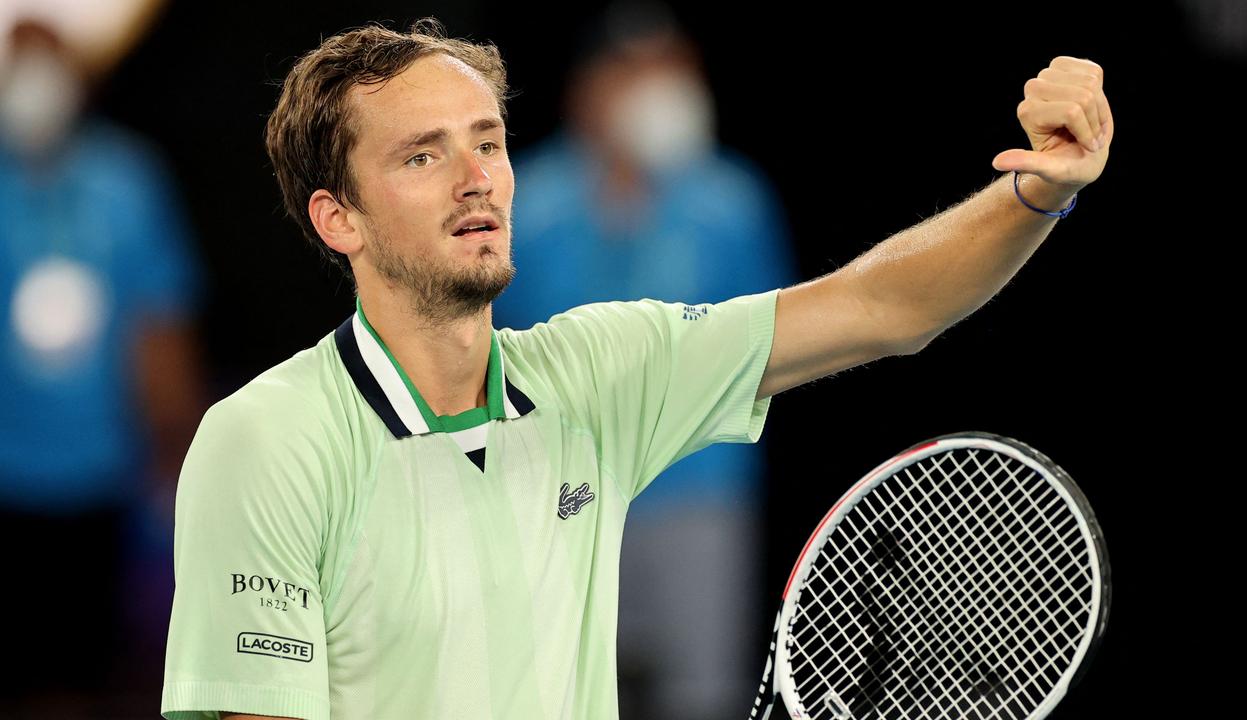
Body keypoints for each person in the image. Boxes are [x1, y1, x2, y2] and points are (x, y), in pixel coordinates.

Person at [160, 17, 1112, 720]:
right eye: (422, 155)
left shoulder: (600, 374)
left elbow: (884, 306)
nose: (476, 176)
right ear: (339, 220)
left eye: (487, 142)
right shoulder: (267, 439)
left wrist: (1032, 194)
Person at [490, 5, 798, 718]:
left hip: (699, 494)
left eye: (673, 69)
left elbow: (780, 346)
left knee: (702, 696)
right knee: (566, 697)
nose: (659, 87)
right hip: (559, 499)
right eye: (634, 72)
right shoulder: (519, 202)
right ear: (589, 89)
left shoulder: (734, 200)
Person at [0, 14, 205, 717]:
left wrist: (176, 454)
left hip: (101, 475)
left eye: (46, 63)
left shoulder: (125, 182)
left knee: (92, 673)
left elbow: (160, 326)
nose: (32, 84)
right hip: (6, 476)